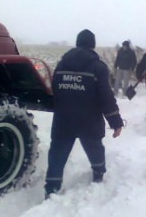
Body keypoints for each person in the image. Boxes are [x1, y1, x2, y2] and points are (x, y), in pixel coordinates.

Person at [44, 29, 124, 199]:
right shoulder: (98, 67)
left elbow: (55, 89)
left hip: (63, 119)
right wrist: (116, 122)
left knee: (57, 154)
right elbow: (106, 97)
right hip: (89, 119)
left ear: (77, 43)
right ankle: (98, 173)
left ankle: (51, 188)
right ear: (93, 45)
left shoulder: (61, 64)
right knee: (94, 148)